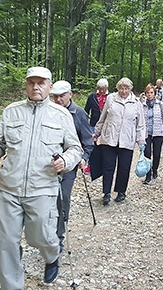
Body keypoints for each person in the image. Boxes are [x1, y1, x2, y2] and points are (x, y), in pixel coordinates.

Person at [0, 67, 83, 288]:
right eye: (31, 82)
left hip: (43, 188)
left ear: (49, 86)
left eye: (41, 83)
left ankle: (52, 256)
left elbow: (75, 149)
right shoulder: (11, 112)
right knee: (4, 244)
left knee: (41, 237)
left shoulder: (61, 115)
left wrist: (65, 160)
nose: (35, 87)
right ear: (25, 85)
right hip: (10, 189)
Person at [50, 80, 94, 250]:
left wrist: (84, 157)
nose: (58, 99)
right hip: (48, 165)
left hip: (69, 164)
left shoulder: (79, 113)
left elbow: (88, 139)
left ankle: (58, 236)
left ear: (70, 95)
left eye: (62, 96)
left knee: (63, 198)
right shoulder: (49, 112)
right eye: (55, 96)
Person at [93, 77, 146, 204]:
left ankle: (121, 191)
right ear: (117, 88)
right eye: (121, 88)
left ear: (130, 89)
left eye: (126, 88)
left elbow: (141, 124)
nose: (123, 91)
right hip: (109, 138)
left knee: (124, 167)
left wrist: (141, 140)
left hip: (127, 139)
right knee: (108, 167)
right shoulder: (111, 98)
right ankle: (106, 193)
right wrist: (96, 132)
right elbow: (103, 116)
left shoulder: (136, 102)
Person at [140, 84, 163, 184]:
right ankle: (148, 175)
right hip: (146, 133)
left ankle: (155, 169)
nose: (149, 95)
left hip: (158, 133)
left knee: (157, 154)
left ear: (155, 94)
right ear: (145, 94)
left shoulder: (160, 104)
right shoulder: (142, 105)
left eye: (151, 93)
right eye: (148, 93)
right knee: (147, 153)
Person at [84, 78, 109, 177]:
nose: (101, 90)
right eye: (99, 88)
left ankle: (103, 166)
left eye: (103, 88)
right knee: (92, 146)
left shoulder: (111, 97)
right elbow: (86, 110)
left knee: (105, 146)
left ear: (106, 87)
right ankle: (91, 165)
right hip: (93, 124)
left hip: (106, 125)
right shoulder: (92, 97)